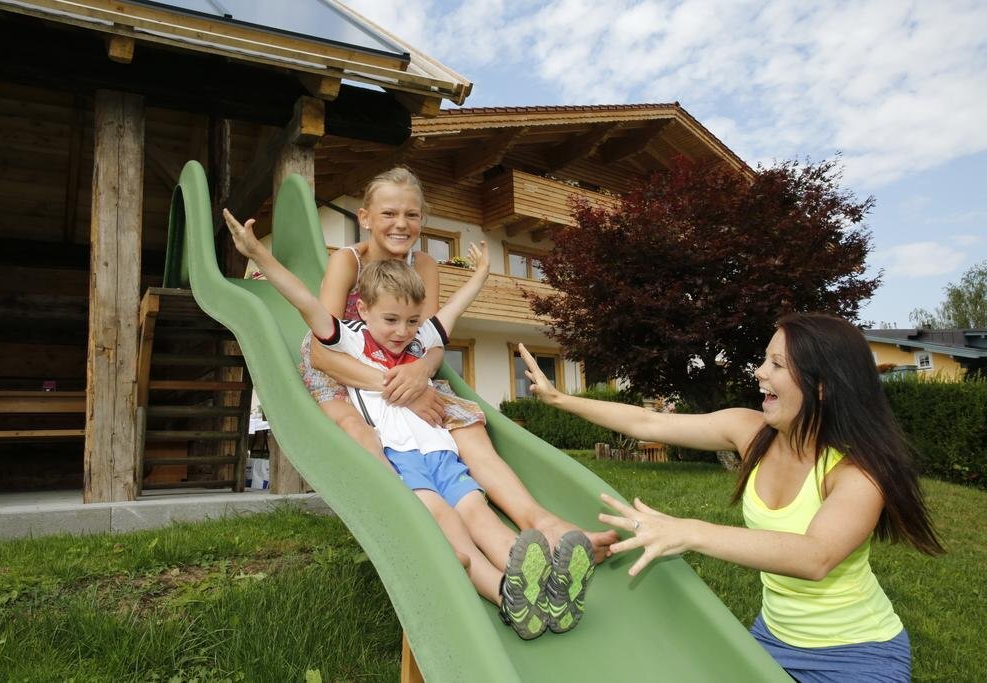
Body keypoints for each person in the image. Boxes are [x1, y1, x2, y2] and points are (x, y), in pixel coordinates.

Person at [224, 211, 594, 639]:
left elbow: (453, 309)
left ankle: (547, 587)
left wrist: (480, 275)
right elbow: (304, 299)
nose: (402, 332)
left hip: (442, 452)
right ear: (363, 309)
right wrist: (258, 254)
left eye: (412, 321)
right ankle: (504, 594)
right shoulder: (348, 339)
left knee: (478, 513)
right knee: (448, 523)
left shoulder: (420, 341)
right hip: (401, 457)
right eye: (391, 320)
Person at [518, 313, 944, 680]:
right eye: (764, 359)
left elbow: (815, 557)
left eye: (776, 364)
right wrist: (559, 399)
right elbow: (648, 423)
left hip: (857, 655)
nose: (759, 372)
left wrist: (689, 532)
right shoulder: (749, 430)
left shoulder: (858, 473)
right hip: (771, 639)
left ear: (821, 386)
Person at [286, 166, 617, 562]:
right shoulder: (348, 261)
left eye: (411, 214)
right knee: (361, 427)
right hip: (342, 368)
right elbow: (322, 351)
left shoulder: (424, 265)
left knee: (468, 426)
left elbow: (431, 341)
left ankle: (543, 523)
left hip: (406, 367)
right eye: (389, 213)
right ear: (366, 217)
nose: (401, 223)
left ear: (422, 219)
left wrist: (420, 373)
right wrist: (404, 390)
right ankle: (409, 516)